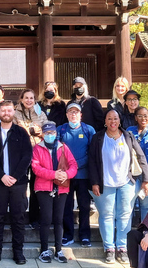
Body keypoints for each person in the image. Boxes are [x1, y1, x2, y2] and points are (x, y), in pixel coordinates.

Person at [89, 109, 148, 264]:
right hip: (105, 183)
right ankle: (109, 248)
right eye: (109, 118)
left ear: (120, 120)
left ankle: (122, 247)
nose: (113, 121)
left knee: (125, 215)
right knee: (106, 215)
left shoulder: (128, 136)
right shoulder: (98, 138)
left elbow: (141, 157)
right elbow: (92, 162)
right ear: (105, 121)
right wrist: (95, 182)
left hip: (126, 183)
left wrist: (146, 180)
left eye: (115, 118)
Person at [0, 100, 34, 266]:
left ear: (14, 112)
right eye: (3, 110)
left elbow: (27, 156)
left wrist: (14, 176)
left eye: (9, 110)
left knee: (18, 218)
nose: (6, 113)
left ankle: (18, 252)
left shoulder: (21, 133)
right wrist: (2, 176)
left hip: (18, 183)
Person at [32, 121, 78, 263]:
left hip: (61, 188)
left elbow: (73, 165)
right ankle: (44, 249)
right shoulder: (37, 148)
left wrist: (67, 175)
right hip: (43, 187)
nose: (49, 135)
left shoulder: (63, 147)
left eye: (52, 133)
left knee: (59, 220)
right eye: (46, 133)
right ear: (43, 134)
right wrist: (53, 174)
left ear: (56, 133)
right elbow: (36, 168)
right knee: (46, 219)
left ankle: (58, 249)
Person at [57, 102, 96, 248]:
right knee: (66, 206)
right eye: (71, 112)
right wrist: (68, 169)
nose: (73, 115)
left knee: (84, 206)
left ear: (81, 114)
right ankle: (68, 235)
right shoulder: (61, 130)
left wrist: (76, 165)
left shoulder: (88, 130)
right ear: (67, 115)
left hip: (83, 175)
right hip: (66, 176)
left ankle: (85, 235)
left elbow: (92, 152)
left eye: (76, 112)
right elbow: (56, 151)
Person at [14, 88, 47, 227]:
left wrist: (39, 133)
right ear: (21, 99)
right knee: (20, 186)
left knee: (35, 187)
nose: (29, 100)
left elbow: (48, 131)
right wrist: (29, 131)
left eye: (31, 98)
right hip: (20, 154)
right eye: (26, 98)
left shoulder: (40, 114)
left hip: (37, 154)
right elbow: (16, 132)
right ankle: (19, 217)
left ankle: (34, 218)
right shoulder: (15, 113)